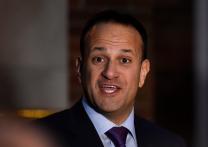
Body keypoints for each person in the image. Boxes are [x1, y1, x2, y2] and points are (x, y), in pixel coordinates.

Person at [36, 10, 186, 147]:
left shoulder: (170, 143)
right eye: (99, 59)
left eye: (124, 60)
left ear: (143, 72)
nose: (110, 72)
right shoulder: (38, 139)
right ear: (80, 69)